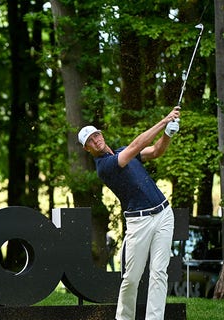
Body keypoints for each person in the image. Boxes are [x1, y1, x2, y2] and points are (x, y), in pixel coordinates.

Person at [77, 106, 181, 320]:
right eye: (90, 140)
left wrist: (167, 134)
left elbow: (155, 151)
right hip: (139, 222)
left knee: (159, 273)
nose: (95, 140)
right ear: (87, 149)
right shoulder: (105, 166)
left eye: (96, 135)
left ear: (101, 135)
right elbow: (137, 145)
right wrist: (164, 121)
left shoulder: (122, 151)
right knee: (131, 278)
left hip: (164, 214)